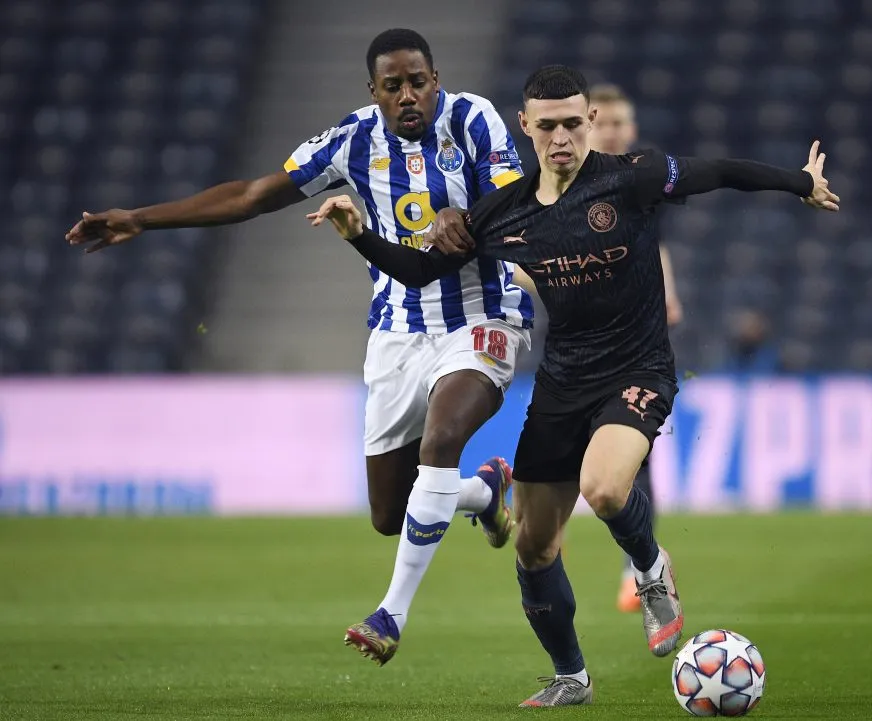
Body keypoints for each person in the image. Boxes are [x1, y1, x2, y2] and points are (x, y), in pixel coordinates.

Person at [309, 65, 838, 706]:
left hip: (637, 369)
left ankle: (650, 568)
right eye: (548, 125)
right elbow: (420, 271)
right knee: (532, 546)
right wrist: (360, 233)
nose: (562, 137)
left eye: (573, 123)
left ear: (590, 123)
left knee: (605, 487)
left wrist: (798, 183)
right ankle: (572, 679)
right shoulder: (504, 212)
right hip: (563, 381)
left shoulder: (633, 178)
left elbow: (720, 170)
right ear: (526, 128)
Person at [65, 29, 534, 665]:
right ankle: (483, 491)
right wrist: (142, 218)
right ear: (373, 90)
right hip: (397, 331)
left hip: (483, 316)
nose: (408, 96)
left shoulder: (472, 118)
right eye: (392, 85)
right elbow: (253, 197)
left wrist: (471, 217)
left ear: (435, 78)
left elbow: (517, 195)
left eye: (417, 81)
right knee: (390, 513)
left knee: (442, 440)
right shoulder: (351, 141)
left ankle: (389, 614)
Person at [588, 82, 683, 613]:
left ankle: (638, 566)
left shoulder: (642, 179)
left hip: (634, 342)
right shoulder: (563, 185)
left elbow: (654, 241)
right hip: (578, 341)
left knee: (635, 453)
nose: (614, 131)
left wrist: (668, 285)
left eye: (622, 123)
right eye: (605, 122)